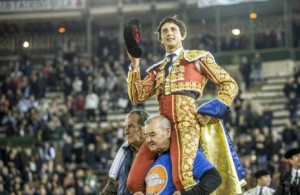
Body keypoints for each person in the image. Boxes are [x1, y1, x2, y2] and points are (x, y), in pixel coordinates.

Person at [126, 15, 246, 194]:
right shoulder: (157, 69)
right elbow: (138, 95)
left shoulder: (198, 59)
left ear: (182, 35)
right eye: (164, 31)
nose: (169, 33)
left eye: (173, 30)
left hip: (187, 123)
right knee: (133, 182)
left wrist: (210, 111)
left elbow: (230, 84)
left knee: (183, 176)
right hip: (161, 128)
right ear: (160, 39)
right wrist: (134, 65)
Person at [139, 115, 222, 195]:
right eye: (146, 136)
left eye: (153, 135)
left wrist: (189, 194)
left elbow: (214, 178)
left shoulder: (186, 153)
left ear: (168, 132)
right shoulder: (149, 161)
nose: (148, 140)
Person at [100, 110, 149, 195]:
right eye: (125, 127)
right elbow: (110, 189)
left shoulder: (156, 152)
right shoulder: (123, 154)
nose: (126, 131)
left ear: (145, 128)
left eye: (131, 126)